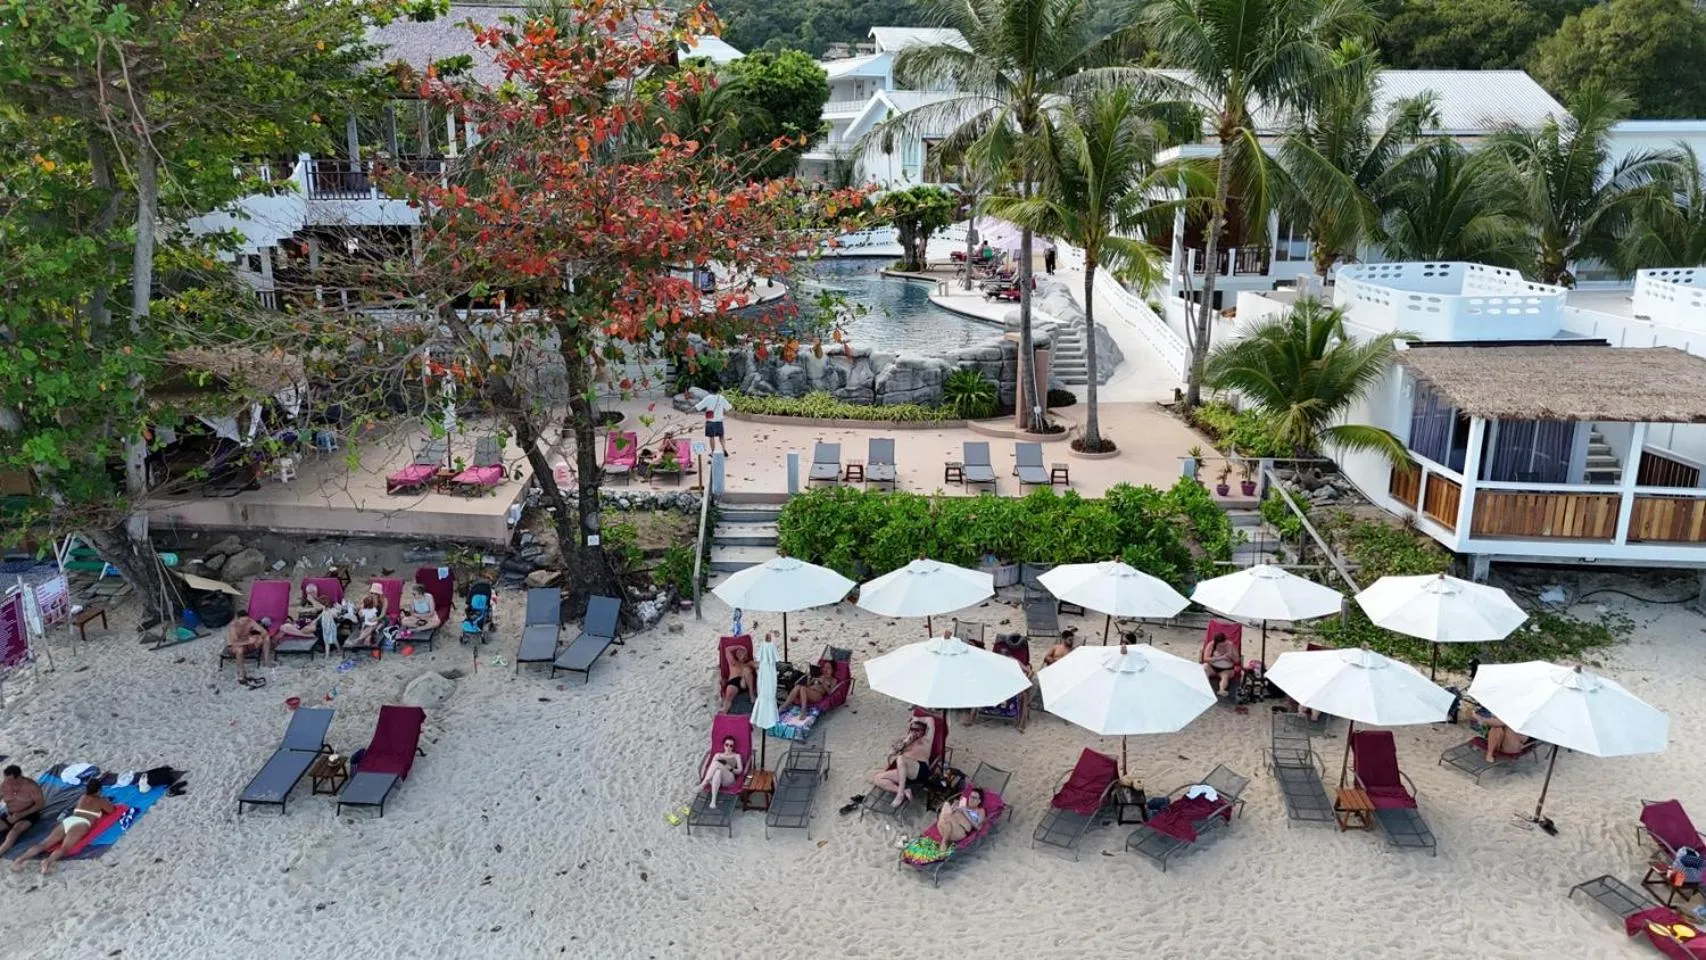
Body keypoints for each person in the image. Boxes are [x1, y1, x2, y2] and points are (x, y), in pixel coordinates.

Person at [11, 779, 115, 875]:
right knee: (64, 848)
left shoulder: (83, 797)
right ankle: (47, 862)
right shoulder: (100, 801)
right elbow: (111, 810)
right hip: (81, 823)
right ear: (98, 790)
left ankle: (20, 859)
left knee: (44, 844)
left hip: (69, 820)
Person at [871, 715, 935, 808]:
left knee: (901, 758)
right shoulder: (906, 741)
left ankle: (900, 794)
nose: (914, 732)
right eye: (912, 729)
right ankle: (904, 791)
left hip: (920, 770)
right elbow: (893, 753)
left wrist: (917, 718)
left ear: (923, 731)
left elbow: (930, 719)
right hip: (904, 773)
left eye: (917, 730)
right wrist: (905, 742)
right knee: (877, 778)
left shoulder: (926, 740)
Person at [0, 764, 46, 858]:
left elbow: (40, 804)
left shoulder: (31, 787)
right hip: (10, 814)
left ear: (19, 777)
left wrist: (20, 815)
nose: (7, 783)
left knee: (14, 832)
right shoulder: (4, 786)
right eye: (6, 779)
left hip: (28, 814)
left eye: (10, 780)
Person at [697, 735, 744, 810]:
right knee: (717, 772)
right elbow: (711, 768)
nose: (728, 747)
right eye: (727, 745)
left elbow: (740, 770)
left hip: (729, 779)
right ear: (723, 745)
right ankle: (713, 800)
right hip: (717, 780)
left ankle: (704, 783)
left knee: (717, 763)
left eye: (731, 746)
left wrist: (730, 768)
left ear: (733, 747)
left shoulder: (736, 756)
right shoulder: (718, 755)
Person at [226, 608, 273, 682]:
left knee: (266, 638)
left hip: (248, 642)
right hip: (235, 646)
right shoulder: (233, 626)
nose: (245, 622)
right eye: (243, 621)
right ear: (237, 619)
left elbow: (264, 632)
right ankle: (242, 671)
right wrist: (248, 641)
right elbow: (234, 642)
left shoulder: (250, 621)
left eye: (246, 620)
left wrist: (259, 636)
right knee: (239, 649)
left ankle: (266, 661)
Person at [694, 385, 732, 456]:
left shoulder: (708, 398)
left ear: (710, 390)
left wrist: (688, 411)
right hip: (719, 421)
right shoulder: (721, 398)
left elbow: (698, 407)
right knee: (721, 436)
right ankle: (724, 449)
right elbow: (729, 407)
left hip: (710, 421)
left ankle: (713, 452)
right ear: (718, 390)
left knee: (711, 437)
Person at [719, 642, 757, 713]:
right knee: (729, 695)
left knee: (747, 670)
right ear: (737, 655)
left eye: (744, 654)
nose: (742, 655)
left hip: (744, 682)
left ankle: (751, 695)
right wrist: (739, 646)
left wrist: (755, 665)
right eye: (740, 654)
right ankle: (725, 709)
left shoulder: (749, 663)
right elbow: (727, 649)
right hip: (733, 682)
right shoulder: (733, 662)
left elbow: (757, 665)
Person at [1202, 632, 1238, 697]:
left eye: (1223, 645)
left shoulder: (1230, 645)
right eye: (1220, 646)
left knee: (1225, 676)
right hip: (1213, 667)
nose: (1222, 647)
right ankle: (1205, 687)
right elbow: (1205, 659)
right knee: (1204, 667)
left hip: (1226, 669)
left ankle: (1222, 690)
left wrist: (1231, 657)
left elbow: (1237, 660)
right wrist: (1221, 658)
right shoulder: (1211, 645)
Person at [353, 584, 387, 648]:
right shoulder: (368, 599)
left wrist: (376, 619)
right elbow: (362, 609)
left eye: (375, 593)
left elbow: (383, 614)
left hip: (380, 619)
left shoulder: (384, 600)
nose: (373, 595)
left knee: (373, 625)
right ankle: (365, 638)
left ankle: (359, 639)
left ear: (379, 594)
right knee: (366, 630)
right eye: (372, 593)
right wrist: (360, 611)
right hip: (368, 619)